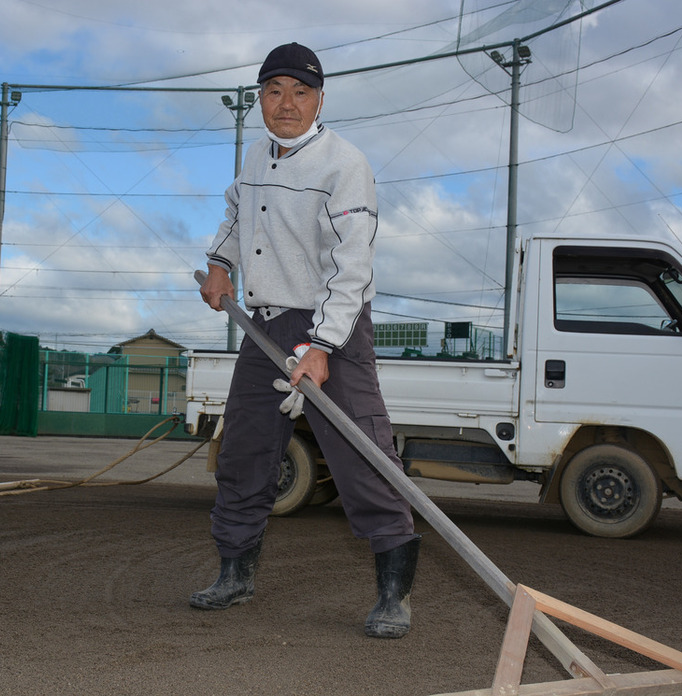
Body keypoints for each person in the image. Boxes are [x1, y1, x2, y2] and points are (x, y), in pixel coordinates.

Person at [193, 42, 420, 639]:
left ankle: (393, 594)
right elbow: (237, 214)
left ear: (320, 99)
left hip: (331, 325)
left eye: (299, 91)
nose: (285, 104)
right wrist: (220, 262)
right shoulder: (254, 156)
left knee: (362, 452)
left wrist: (320, 346)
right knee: (243, 452)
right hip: (265, 323)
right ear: (259, 99)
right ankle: (234, 574)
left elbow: (353, 268)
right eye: (273, 91)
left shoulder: (345, 166)